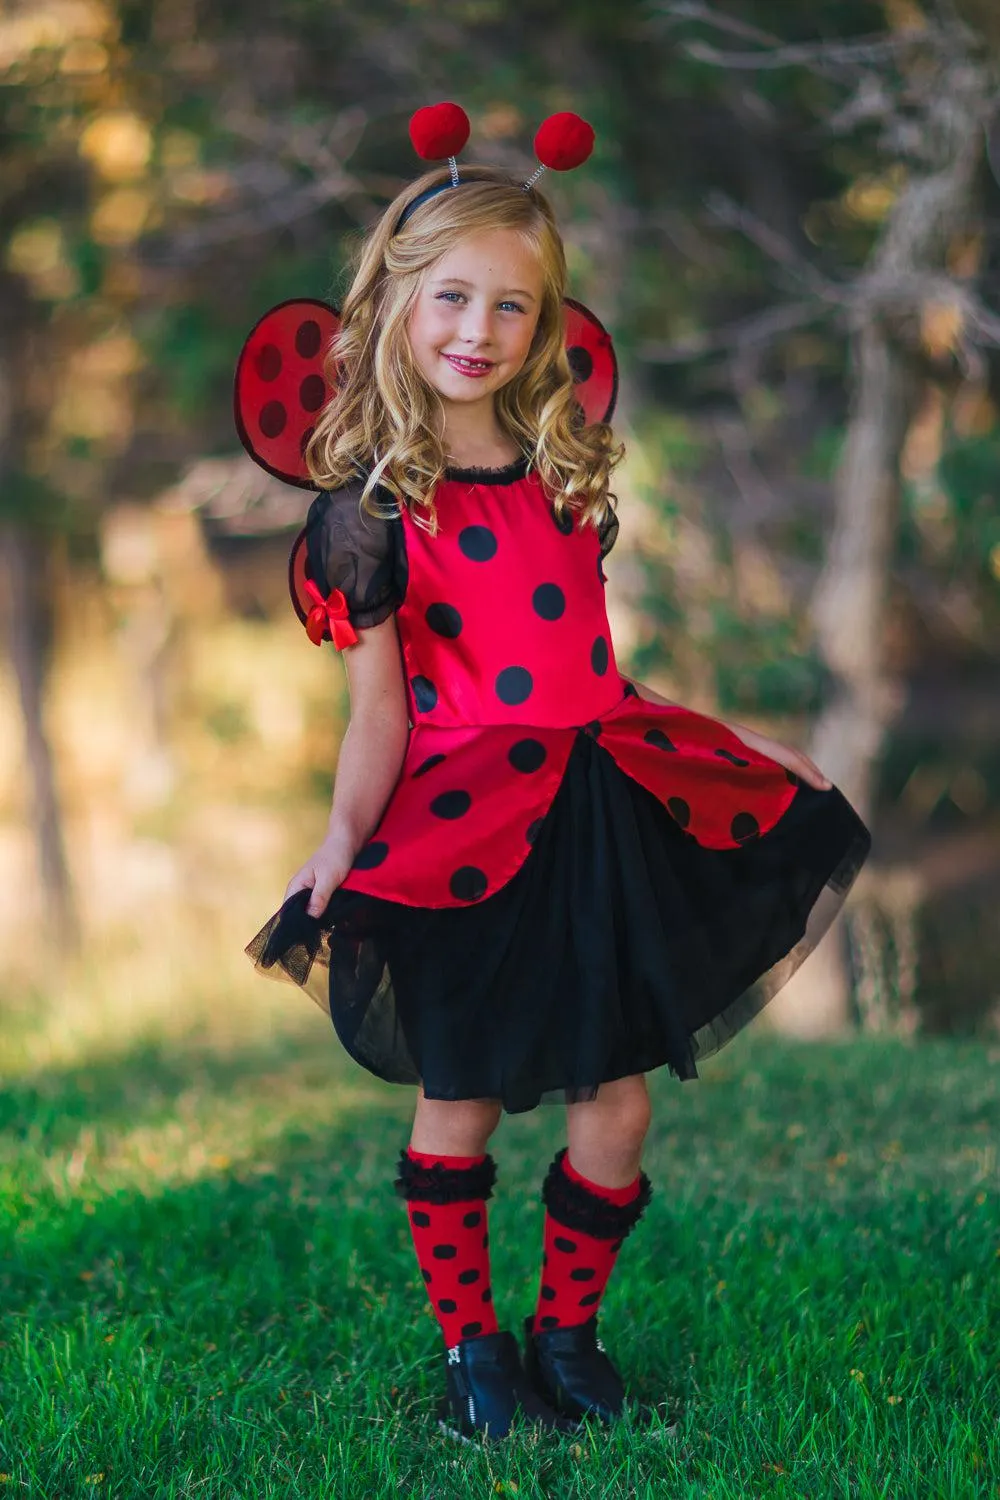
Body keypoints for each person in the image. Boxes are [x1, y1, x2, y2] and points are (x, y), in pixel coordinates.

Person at [244, 105, 871, 1442]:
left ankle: (568, 1330)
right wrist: (343, 838)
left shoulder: (565, 474)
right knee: (460, 1100)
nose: (480, 330)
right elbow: (380, 716)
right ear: (399, 301)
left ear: (547, 323)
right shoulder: (368, 514)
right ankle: (474, 1348)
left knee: (620, 1103)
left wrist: (730, 738)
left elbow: (588, 667)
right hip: (466, 829)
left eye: (513, 307)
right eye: (454, 297)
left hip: (597, 809)